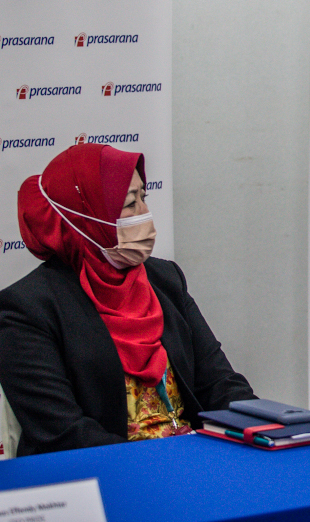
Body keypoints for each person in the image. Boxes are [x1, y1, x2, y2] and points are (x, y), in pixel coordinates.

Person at [0, 144, 255, 455]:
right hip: (107, 477)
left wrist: (267, 427)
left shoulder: (165, 279)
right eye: (128, 205)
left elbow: (219, 383)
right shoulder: (27, 308)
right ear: (87, 214)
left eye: (143, 198)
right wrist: (156, 467)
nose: (143, 214)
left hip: (192, 462)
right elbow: (63, 433)